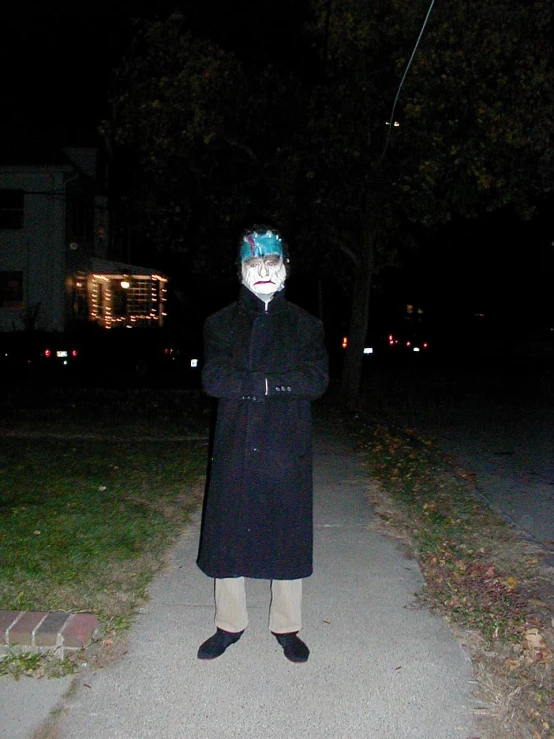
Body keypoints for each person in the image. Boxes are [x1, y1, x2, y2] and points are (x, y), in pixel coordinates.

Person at [197, 224, 329, 663]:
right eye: (254, 264)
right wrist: (272, 383)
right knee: (228, 533)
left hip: (286, 447)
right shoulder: (219, 324)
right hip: (237, 443)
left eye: (272, 263)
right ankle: (228, 625)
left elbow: (315, 379)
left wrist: (262, 385)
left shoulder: (306, 326)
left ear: (286, 269)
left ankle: (287, 626)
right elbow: (214, 378)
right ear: (241, 272)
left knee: (287, 536)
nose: (264, 271)